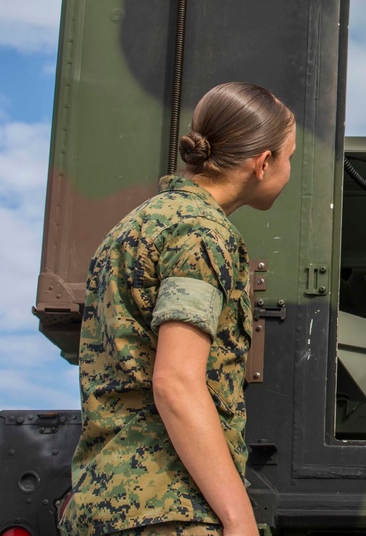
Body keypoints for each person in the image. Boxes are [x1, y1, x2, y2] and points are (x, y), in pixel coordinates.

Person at [59, 82, 297, 535]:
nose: (288, 170)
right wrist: (238, 518)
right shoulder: (202, 234)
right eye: (288, 158)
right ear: (262, 163)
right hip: (169, 510)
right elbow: (176, 381)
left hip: (101, 506)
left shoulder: (134, 227)